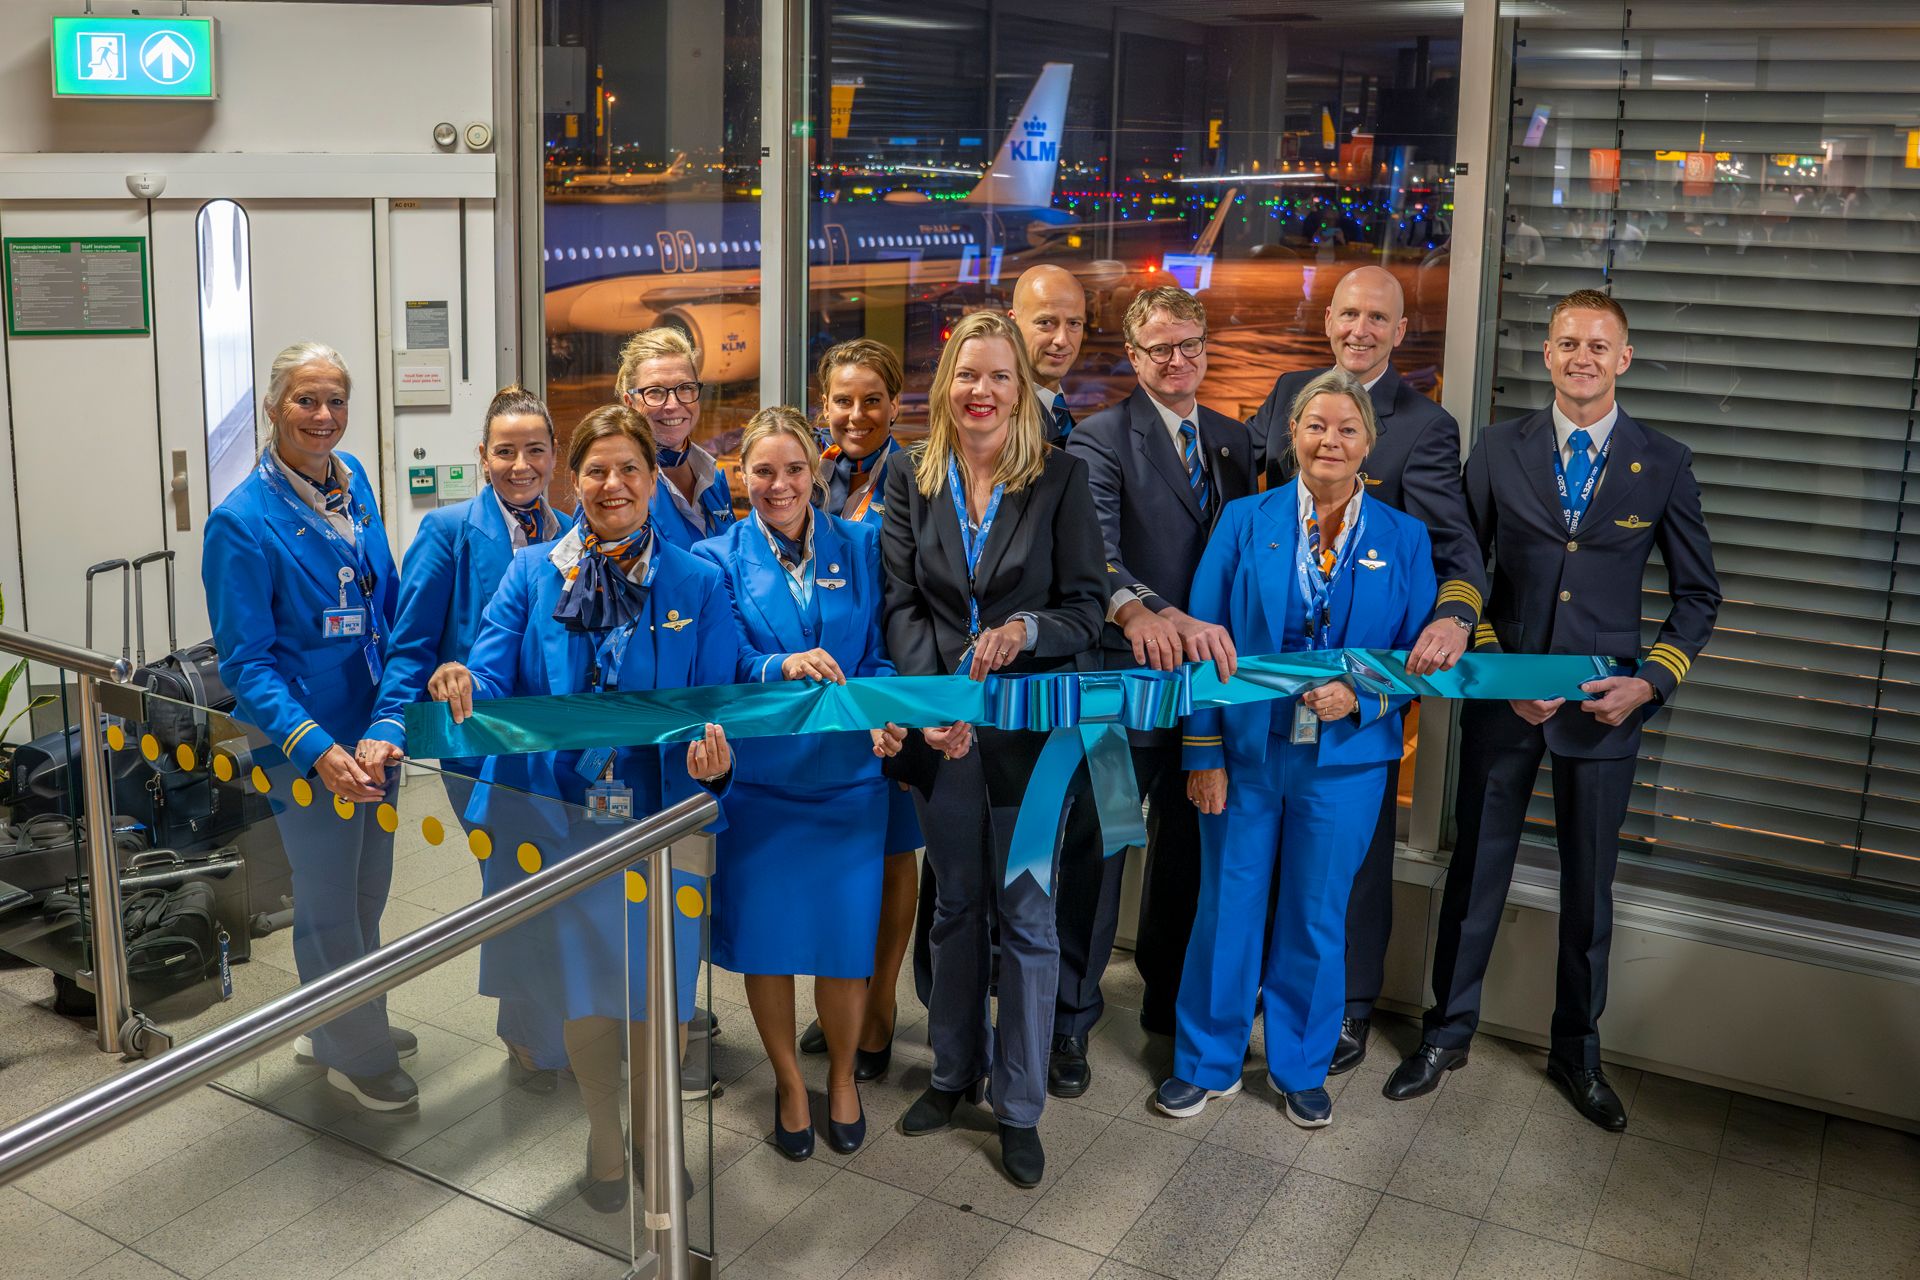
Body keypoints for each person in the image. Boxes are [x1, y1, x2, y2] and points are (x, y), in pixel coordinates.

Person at [1384, 290, 1720, 1131]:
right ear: (1546, 353)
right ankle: (1446, 1033)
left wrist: (1650, 682)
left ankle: (1578, 1052)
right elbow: (1466, 569)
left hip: (1606, 713)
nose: (1582, 357)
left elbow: (1698, 596)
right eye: (1568, 342)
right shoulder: (1500, 449)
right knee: (1474, 876)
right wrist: (1498, 667)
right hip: (1509, 704)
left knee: (1588, 893)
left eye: (1598, 345)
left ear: (1624, 358)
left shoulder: (1665, 461)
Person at [429, 404, 736, 1211]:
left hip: (666, 821)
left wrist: (717, 752)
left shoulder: (698, 579)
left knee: (657, 991)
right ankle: (605, 1135)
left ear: (650, 478)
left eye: (629, 468)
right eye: (596, 470)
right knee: (588, 993)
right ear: (576, 480)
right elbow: (492, 675)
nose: (613, 484)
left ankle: (655, 1136)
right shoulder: (532, 573)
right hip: (566, 822)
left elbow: (719, 699)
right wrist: (462, 679)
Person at [1153, 369, 1436, 1129]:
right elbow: (1201, 646)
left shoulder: (1406, 538)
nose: (1329, 442)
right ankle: (1205, 1061)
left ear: (1368, 443)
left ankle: (1301, 1066)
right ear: (1292, 437)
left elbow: (1415, 659)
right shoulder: (1245, 521)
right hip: (1246, 755)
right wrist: (1202, 753)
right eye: (1315, 427)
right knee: (1227, 906)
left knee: (1317, 915)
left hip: (1346, 761)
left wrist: (1365, 696)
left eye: (1347, 429)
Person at [1242, 265, 1488, 1074]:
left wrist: (1454, 617)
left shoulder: (1424, 425)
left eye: (1376, 317)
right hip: (1273, 681)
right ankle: (1258, 995)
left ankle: (1347, 1007)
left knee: (1353, 862)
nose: (1359, 329)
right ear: (1329, 318)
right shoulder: (1288, 390)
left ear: (1400, 327)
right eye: (1347, 312)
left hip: (1359, 682)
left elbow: (1453, 551)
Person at [882, 310, 1106, 1188]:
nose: (982, 391)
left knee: (1028, 918)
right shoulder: (913, 475)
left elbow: (1087, 607)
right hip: (946, 735)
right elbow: (902, 604)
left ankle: (1017, 1105)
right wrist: (933, 704)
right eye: (967, 375)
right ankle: (949, 1072)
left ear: (1022, 391)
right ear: (947, 386)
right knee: (955, 909)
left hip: (1031, 740)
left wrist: (1025, 627)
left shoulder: (1060, 478)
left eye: (999, 377)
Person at [202, 342, 416, 1112]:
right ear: (272, 408)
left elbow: (380, 607)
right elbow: (247, 665)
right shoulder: (241, 524)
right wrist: (317, 749)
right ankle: (355, 1049)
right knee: (329, 902)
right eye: (305, 401)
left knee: (367, 892)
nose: (323, 417)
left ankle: (341, 1017)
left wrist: (389, 715)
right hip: (307, 744)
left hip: (373, 734)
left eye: (335, 400)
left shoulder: (351, 479)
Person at [1055, 284, 1254, 1097]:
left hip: (1208, 697)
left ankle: (1170, 1012)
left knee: (1186, 859)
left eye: (1191, 344)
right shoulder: (1098, 442)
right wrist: (1147, 610)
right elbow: (1096, 554)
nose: (1179, 360)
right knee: (1098, 855)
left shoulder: (1236, 442)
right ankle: (1070, 1019)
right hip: (1122, 688)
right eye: (1161, 348)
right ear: (1133, 360)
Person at [694, 406, 907, 1160]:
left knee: (847, 946)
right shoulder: (715, 560)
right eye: (762, 471)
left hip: (851, 778)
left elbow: (883, 653)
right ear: (740, 477)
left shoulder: (863, 542)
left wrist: (884, 714)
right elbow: (719, 664)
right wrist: (776, 666)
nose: (779, 485)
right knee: (770, 946)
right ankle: (788, 1081)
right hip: (765, 786)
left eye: (792, 470)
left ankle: (843, 1076)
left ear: (815, 470)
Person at [356, 385, 574, 1092]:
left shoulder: (573, 531)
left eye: (534, 450)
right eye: (505, 451)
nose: (521, 464)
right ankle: (530, 1031)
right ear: (482, 457)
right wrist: (392, 719)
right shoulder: (448, 532)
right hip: (478, 747)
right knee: (513, 876)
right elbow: (411, 645)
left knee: (563, 880)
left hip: (558, 745)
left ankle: (565, 1017)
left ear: (554, 455)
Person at [794, 339, 922, 1082]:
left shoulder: (912, 476)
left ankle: (879, 1012)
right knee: (842, 858)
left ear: (895, 404)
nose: (855, 414)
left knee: (893, 852)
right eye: (842, 400)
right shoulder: (811, 477)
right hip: (826, 695)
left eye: (872, 399)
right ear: (823, 405)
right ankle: (844, 1000)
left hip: (889, 688)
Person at [616, 326, 737, 548]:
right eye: (654, 392)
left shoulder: (713, 477)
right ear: (629, 402)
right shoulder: (614, 486)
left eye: (685, 388)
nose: (673, 404)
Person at [1008, 264, 1088, 443]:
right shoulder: (997, 419)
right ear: (1013, 324)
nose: (1062, 340)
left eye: (1074, 323)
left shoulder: (1058, 409)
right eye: (1045, 322)